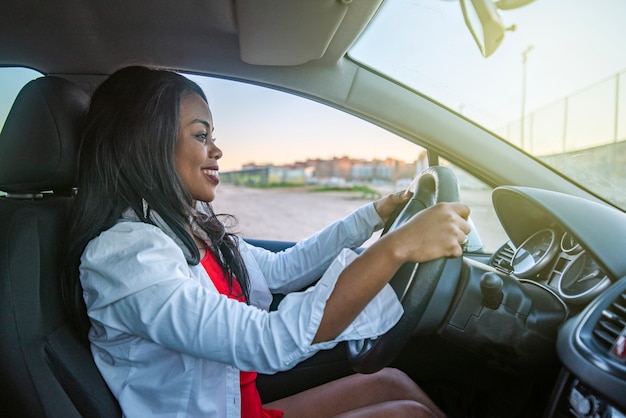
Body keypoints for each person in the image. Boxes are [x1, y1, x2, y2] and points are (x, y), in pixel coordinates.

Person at [64, 66, 470, 418]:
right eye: (201, 135)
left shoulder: (189, 226)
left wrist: (374, 216)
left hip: (243, 407)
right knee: (407, 414)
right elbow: (268, 342)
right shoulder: (126, 256)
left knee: (391, 383)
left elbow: (282, 269)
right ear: (146, 143)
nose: (217, 150)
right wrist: (396, 248)